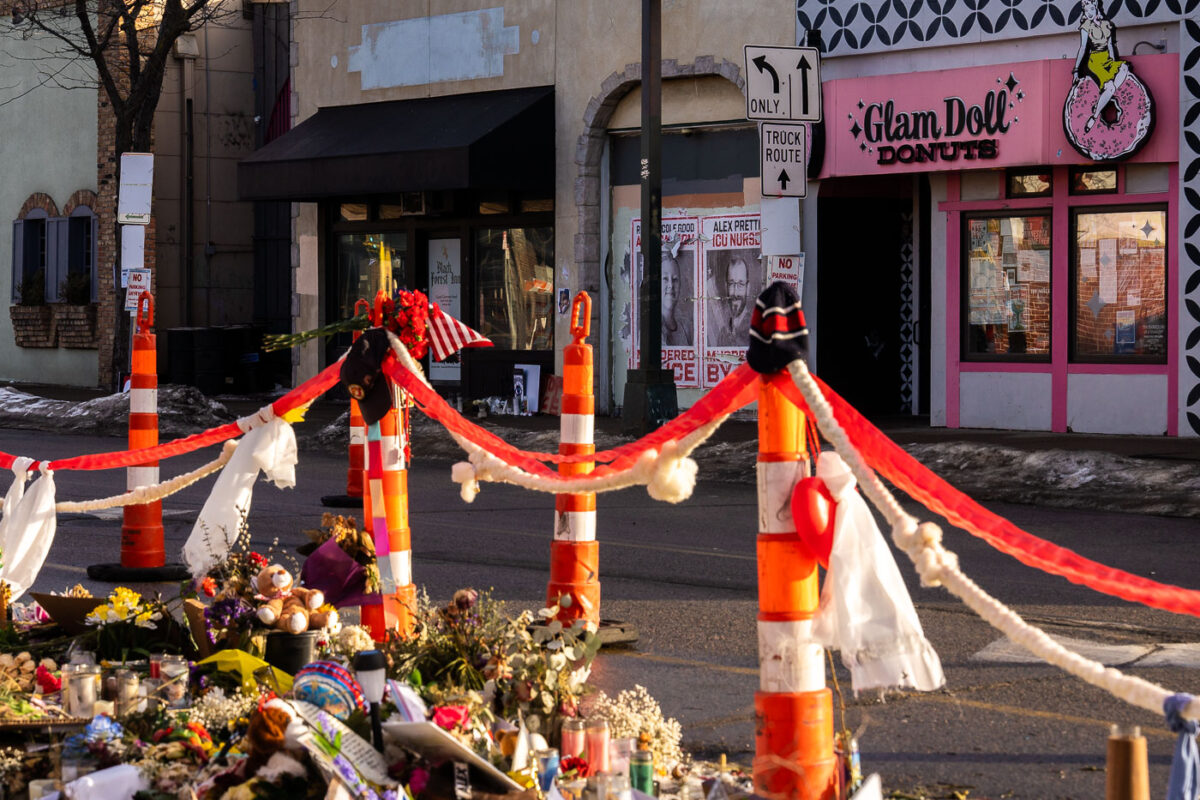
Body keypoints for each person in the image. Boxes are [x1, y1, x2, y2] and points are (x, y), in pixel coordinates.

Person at [1073, 0, 1129, 133]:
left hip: (1107, 59)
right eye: (1086, 11)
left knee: (1124, 69)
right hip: (1095, 61)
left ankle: (1106, 95)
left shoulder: (1107, 25)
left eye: (1091, 9)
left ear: (1096, 7)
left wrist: (1114, 62)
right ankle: (1095, 115)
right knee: (1110, 87)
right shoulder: (1086, 26)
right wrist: (1076, 70)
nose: (1089, 13)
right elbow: (1082, 48)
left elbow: (1110, 46)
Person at [709, 255, 754, 347]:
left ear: (748, 288)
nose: (735, 292)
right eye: (731, 284)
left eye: (741, 284)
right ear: (726, 287)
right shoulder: (722, 335)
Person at [660, 252, 693, 346]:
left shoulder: (686, 326)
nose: (671, 285)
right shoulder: (647, 328)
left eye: (675, 280)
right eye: (665, 279)